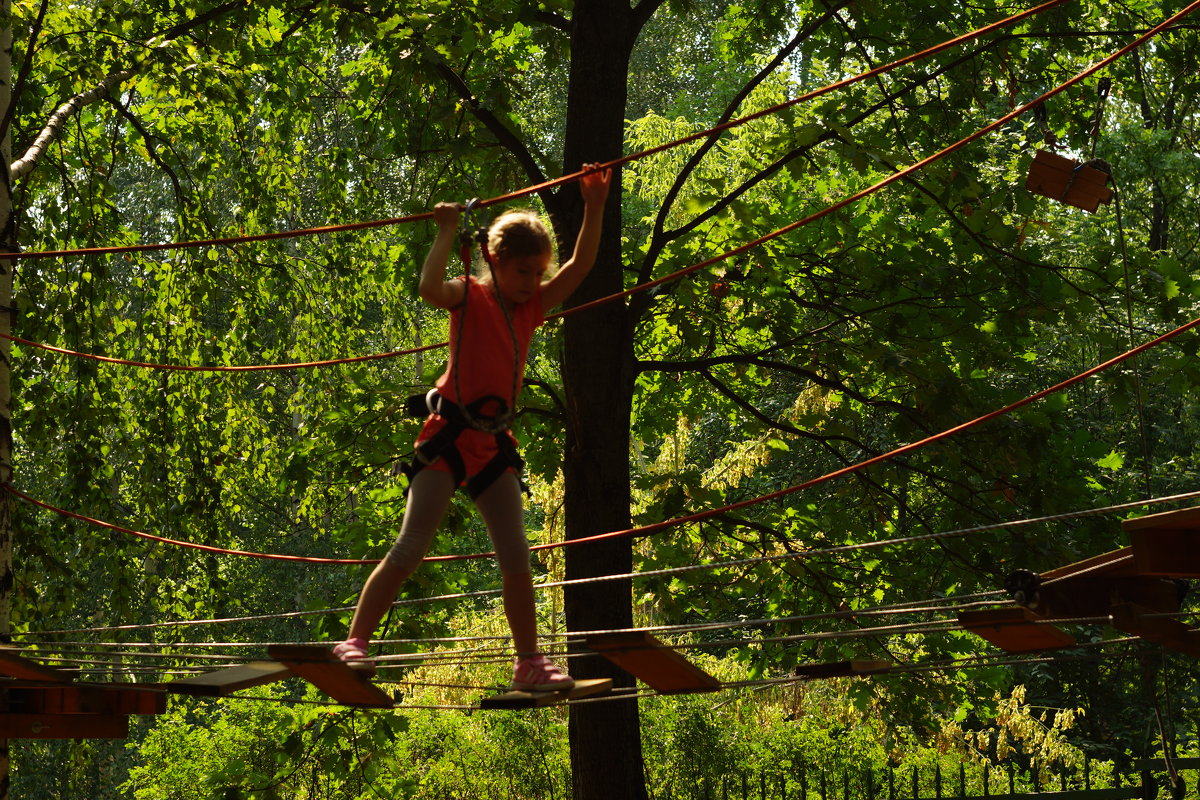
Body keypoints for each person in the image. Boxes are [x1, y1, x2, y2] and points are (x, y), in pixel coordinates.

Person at [334, 165, 612, 691]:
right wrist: (443, 233)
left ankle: (528, 662)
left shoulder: (531, 308)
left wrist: (594, 206)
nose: (533, 282)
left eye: (538, 273)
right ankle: (354, 642)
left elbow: (581, 267)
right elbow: (428, 287)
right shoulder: (471, 295)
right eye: (524, 271)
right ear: (495, 261)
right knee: (411, 545)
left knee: (516, 555)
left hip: (493, 446)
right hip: (447, 440)